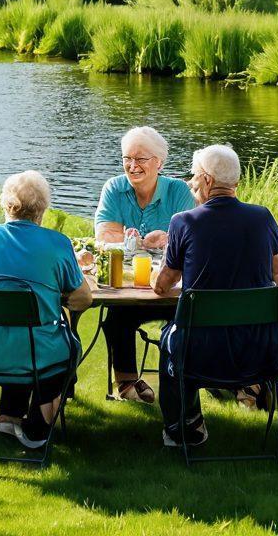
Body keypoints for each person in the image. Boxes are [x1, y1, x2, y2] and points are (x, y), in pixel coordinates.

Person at [154, 145, 278, 447]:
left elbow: (162, 286)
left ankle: (184, 426)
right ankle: (253, 394)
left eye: (193, 177)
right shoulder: (263, 217)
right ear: (235, 184)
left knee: (169, 336)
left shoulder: (184, 222)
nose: (191, 183)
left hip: (199, 352)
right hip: (260, 350)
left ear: (205, 179)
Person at [0, 170, 92, 450]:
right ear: (42, 209)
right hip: (34, 352)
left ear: (6, 205)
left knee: (18, 331)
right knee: (64, 345)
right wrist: (56, 295)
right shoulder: (57, 243)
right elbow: (83, 299)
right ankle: (38, 425)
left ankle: (8, 416)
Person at [95, 127, 195, 402]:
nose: (132, 165)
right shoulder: (115, 187)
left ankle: (186, 381)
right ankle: (126, 383)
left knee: (186, 319)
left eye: (141, 159)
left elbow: (190, 240)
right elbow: (104, 236)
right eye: (127, 158)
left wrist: (166, 238)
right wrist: (138, 241)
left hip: (170, 288)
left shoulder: (178, 191)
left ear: (159, 163)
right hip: (128, 283)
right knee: (117, 316)